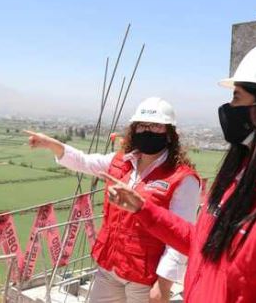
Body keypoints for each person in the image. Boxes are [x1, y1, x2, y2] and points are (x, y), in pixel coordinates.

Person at [105, 33, 256, 302]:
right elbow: (204, 243)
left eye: (237, 97)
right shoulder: (243, 173)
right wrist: (144, 209)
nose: (230, 108)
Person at [25, 97, 201, 303]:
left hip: (145, 277)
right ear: (134, 129)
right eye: (142, 126)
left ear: (170, 133)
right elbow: (84, 161)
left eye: (156, 126)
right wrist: (52, 145)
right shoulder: (120, 162)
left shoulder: (182, 179)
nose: (148, 131)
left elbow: (179, 236)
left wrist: (163, 284)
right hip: (110, 267)